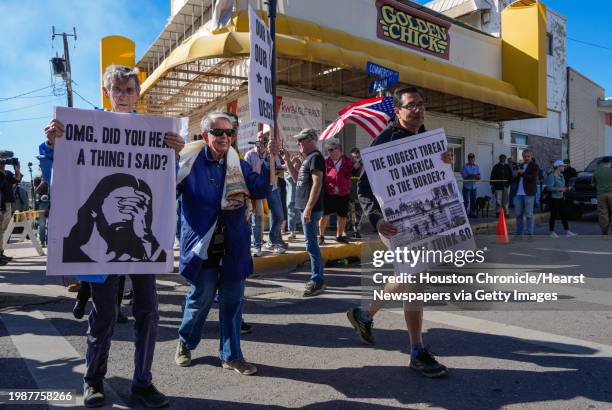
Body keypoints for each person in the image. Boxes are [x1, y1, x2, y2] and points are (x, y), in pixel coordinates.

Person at [43, 64, 184, 408]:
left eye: (129, 90)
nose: (123, 95)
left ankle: (143, 382)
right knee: (103, 315)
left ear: (138, 94)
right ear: (107, 92)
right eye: (117, 90)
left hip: (142, 250)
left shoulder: (156, 132)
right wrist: (51, 144)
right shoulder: (83, 127)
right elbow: (59, 175)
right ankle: (93, 380)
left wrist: (174, 154)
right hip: (101, 251)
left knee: (148, 312)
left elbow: (168, 184)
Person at [347, 86, 453, 378]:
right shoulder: (384, 140)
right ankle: (417, 351)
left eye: (421, 104)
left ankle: (364, 314)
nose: (418, 109)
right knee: (416, 279)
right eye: (411, 105)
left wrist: (446, 166)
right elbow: (364, 188)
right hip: (393, 224)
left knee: (408, 276)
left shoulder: (426, 137)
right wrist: (377, 220)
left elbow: (434, 179)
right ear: (397, 110)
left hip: (424, 219)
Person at [174, 112, 272, 375]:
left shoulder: (238, 165)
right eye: (218, 133)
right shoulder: (189, 163)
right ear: (206, 135)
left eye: (229, 133)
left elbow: (261, 190)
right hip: (201, 246)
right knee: (200, 299)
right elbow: (168, 189)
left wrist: (271, 157)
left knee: (232, 303)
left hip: (233, 246)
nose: (225, 138)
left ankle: (231, 355)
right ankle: (185, 342)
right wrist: (168, 158)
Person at [283, 128, 326, 297]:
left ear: (310, 140)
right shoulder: (307, 159)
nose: (298, 143)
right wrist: (286, 159)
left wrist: (308, 207)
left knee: (311, 245)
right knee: (311, 244)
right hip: (305, 208)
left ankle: (317, 281)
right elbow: (296, 179)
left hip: (311, 209)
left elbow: (317, 183)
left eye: (301, 140)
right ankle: (317, 278)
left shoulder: (315, 157)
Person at [245, 131, 286, 255]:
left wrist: (272, 162)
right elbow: (247, 173)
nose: (261, 141)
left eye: (264, 139)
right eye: (259, 138)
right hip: (257, 190)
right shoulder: (249, 154)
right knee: (257, 219)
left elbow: (279, 170)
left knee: (279, 216)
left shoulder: (272, 154)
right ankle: (257, 245)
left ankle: (273, 241)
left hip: (272, 188)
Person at [319, 138, 352, 245]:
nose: (329, 152)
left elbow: (351, 172)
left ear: (338, 149)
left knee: (342, 216)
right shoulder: (326, 162)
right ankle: (321, 236)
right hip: (329, 193)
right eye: (328, 150)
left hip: (343, 193)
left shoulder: (347, 161)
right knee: (324, 215)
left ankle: (339, 236)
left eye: (331, 149)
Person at [545, 160, 577, 238]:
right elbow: (549, 188)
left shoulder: (562, 175)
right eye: (563, 166)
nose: (564, 167)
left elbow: (561, 186)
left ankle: (567, 231)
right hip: (554, 198)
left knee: (564, 214)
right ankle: (552, 232)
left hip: (561, 197)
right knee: (553, 215)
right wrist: (560, 189)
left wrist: (566, 188)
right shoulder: (552, 176)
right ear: (558, 167)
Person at [513, 149, 539, 238]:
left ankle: (530, 233)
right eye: (524, 156)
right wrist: (516, 175)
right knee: (518, 214)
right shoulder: (521, 165)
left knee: (529, 214)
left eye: (528, 156)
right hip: (519, 193)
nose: (526, 158)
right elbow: (516, 180)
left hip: (529, 193)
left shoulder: (534, 166)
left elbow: (532, 178)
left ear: (531, 156)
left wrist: (522, 173)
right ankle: (519, 233)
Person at [0, 159, 22, 263]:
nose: (3, 163)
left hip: (7, 204)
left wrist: (16, 168)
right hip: (1, 205)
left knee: (2, 230)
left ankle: (1, 252)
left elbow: (17, 179)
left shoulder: (7, 173)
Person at [592, 156, 612, 235]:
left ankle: (604, 231)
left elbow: (593, 184)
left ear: (602, 163)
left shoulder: (596, 172)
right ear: (610, 162)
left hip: (601, 194)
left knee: (603, 213)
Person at [284, 155, 301, 240]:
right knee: (291, 215)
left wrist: (297, 161)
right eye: (294, 164)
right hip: (291, 199)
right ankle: (292, 232)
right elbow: (289, 175)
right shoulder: (288, 174)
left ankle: (295, 231)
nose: (295, 165)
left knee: (299, 215)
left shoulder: (300, 173)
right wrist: (293, 161)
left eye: (297, 164)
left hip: (300, 198)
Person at [349, 147, 365, 239]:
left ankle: (357, 229)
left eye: (358, 156)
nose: (356, 158)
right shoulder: (350, 163)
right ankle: (352, 228)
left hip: (360, 188)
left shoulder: (363, 162)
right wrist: (358, 162)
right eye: (355, 156)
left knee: (359, 210)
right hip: (351, 188)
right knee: (351, 210)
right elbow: (353, 169)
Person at [461, 153, 480, 218]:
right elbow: (464, 177)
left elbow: (479, 177)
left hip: (474, 186)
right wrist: (470, 175)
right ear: (468, 159)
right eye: (470, 158)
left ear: (474, 159)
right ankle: (465, 214)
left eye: (472, 158)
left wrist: (476, 176)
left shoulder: (476, 166)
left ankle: (472, 213)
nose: (471, 159)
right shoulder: (465, 167)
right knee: (466, 201)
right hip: (467, 186)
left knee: (473, 200)